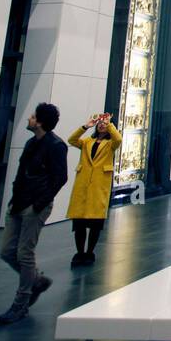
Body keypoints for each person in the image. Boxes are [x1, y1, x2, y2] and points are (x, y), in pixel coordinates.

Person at [0, 102, 67, 325]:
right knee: (8, 251)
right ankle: (36, 281)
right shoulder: (31, 144)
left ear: (39, 122)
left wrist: (39, 204)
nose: (29, 118)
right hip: (18, 204)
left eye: (32, 116)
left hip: (34, 206)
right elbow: (22, 174)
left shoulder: (56, 146)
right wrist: (14, 200)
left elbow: (60, 178)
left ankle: (21, 304)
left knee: (24, 253)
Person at [64, 113, 121, 267]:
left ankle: (90, 252)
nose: (101, 125)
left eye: (105, 123)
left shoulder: (110, 144)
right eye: (100, 123)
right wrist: (85, 126)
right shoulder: (87, 142)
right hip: (83, 185)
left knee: (95, 224)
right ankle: (80, 252)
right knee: (79, 223)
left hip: (99, 186)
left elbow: (118, 139)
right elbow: (71, 140)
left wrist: (109, 124)